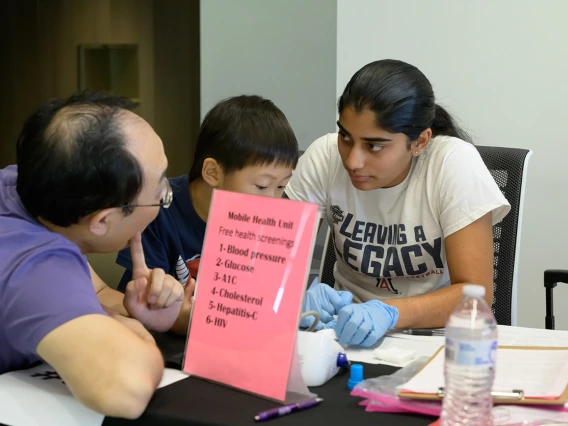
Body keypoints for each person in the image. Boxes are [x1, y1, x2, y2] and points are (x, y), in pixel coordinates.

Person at [288, 59, 510, 347]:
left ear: (419, 142)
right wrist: (297, 299)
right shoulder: (324, 157)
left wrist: (389, 313)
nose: (352, 161)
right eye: (345, 136)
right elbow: (275, 266)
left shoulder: (452, 164)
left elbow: (474, 295)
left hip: (435, 338)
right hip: (340, 334)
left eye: (375, 146)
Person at [0, 92, 194, 418]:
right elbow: (127, 390)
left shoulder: (24, 183)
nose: (164, 197)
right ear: (102, 220)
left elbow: (95, 291)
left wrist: (130, 309)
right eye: (159, 193)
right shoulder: (36, 266)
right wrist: (127, 328)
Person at [115, 95, 299, 304]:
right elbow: (139, 303)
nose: (273, 202)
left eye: (282, 187)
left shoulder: (269, 227)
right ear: (212, 172)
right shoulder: (156, 210)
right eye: (262, 186)